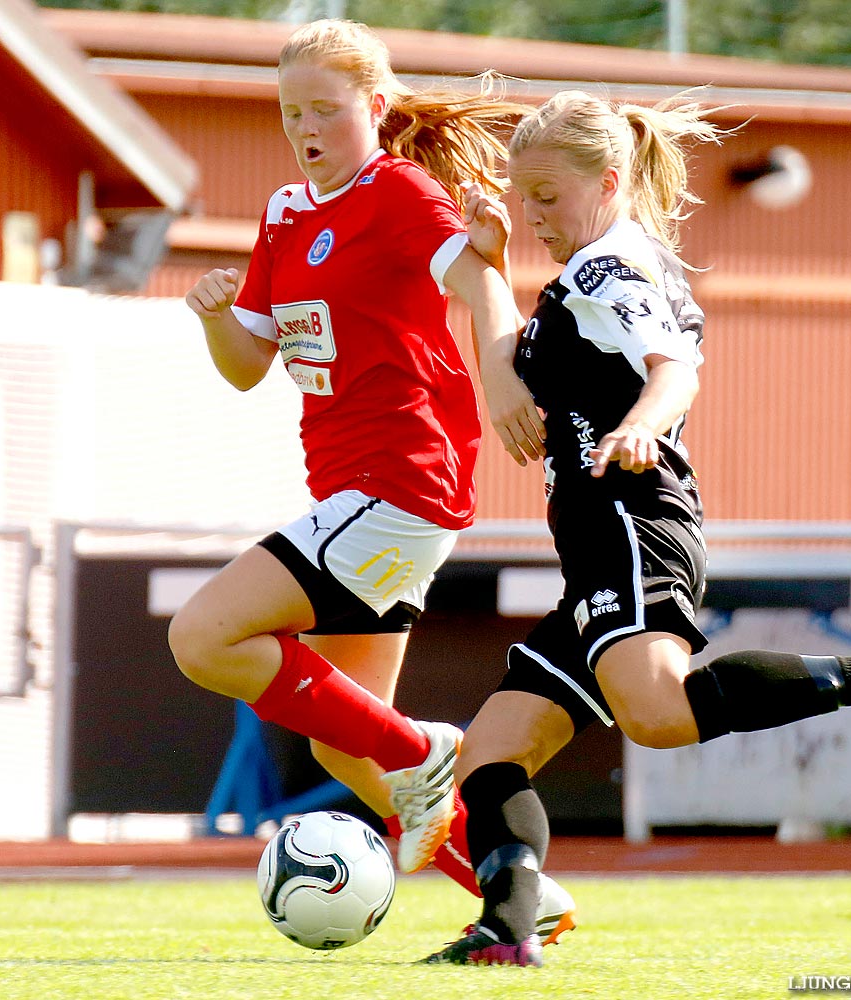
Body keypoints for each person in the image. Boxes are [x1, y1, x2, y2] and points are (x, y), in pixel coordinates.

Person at [423, 90, 851, 967]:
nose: (534, 215)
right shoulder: (590, 271)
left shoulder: (609, 271)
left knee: (660, 714)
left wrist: (643, 421)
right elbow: (511, 359)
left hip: (631, 519)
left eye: (547, 197)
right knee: (489, 753)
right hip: (596, 543)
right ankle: (506, 932)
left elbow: (674, 371)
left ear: (607, 181)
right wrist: (489, 269)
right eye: (524, 197)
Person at [168, 18, 575, 943]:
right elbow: (247, 364)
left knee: (202, 636)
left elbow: (476, 281)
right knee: (337, 741)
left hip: (400, 483)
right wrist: (211, 316)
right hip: (351, 494)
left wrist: (502, 358)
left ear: (376, 108)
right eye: (289, 112)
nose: (305, 127)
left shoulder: (399, 193)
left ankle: (422, 750)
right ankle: (521, 901)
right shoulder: (286, 212)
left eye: (324, 109)